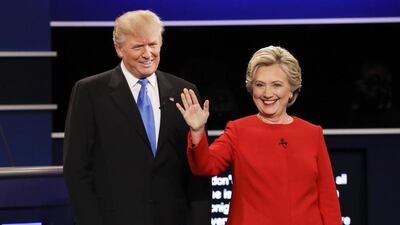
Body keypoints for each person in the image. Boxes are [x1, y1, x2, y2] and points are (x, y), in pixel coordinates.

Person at [63, 10, 211, 225]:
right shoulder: (90, 92)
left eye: (153, 44)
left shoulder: (184, 92)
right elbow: (76, 168)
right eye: (138, 47)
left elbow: (198, 171)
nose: (148, 54)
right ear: (119, 48)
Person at [176, 46, 342, 225]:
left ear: (291, 90)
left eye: (277, 85)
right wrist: (197, 131)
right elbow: (204, 166)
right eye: (260, 85)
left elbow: (328, 200)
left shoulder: (312, 133)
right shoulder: (238, 131)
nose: (267, 94)